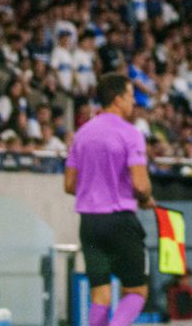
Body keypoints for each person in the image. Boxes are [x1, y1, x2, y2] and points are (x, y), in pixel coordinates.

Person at [64, 73, 155, 326]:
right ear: (117, 99)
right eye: (130, 96)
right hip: (120, 220)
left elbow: (70, 184)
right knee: (136, 291)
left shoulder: (81, 134)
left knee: (100, 294)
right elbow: (139, 184)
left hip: (90, 223)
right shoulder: (130, 133)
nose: (132, 103)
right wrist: (147, 198)